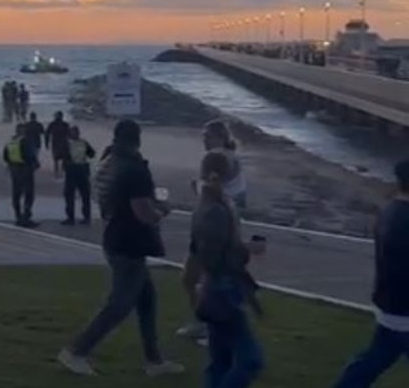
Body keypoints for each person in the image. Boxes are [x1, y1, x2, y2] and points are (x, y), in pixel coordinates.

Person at [58, 119, 184, 378]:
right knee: (119, 305)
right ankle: (76, 351)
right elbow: (142, 212)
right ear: (137, 139)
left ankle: (154, 360)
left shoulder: (108, 162)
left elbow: (110, 199)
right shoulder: (134, 169)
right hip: (130, 243)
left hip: (115, 236)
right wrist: (162, 210)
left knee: (147, 300)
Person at [329, 158, 409, 388]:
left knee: (373, 360)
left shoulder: (391, 211)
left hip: (390, 306)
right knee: (373, 359)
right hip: (404, 310)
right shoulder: (404, 221)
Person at [192, 151, 265, 388]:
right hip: (223, 290)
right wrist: (247, 249)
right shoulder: (217, 210)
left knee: (220, 360)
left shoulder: (210, 203)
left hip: (214, 288)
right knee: (251, 359)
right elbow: (218, 258)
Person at [179, 120, 246, 342]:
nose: (204, 140)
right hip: (217, 226)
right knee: (195, 277)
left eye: (208, 136)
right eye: (203, 136)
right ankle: (202, 322)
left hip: (211, 228)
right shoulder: (233, 158)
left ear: (219, 136)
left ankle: (210, 327)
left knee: (203, 279)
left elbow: (212, 190)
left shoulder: (215, 158)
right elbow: (236, 195)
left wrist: (197, 188)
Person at [4, 122, 39, 227]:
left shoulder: (11, 142)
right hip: (25, 169)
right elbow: (30, 155)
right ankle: (26, 217)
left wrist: (11, 164)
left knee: (16, 195)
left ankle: (18, 217)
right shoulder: (25, 141)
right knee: (29, 194)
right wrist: (35, 164)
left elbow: (5, 156)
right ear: (23, 131)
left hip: (14, 170)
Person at [61, 125, 96, 226]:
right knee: (76, 195)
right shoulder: (80, 142)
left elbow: (92, 153)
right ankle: (79, 217)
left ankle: (78, 218)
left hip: (76, 170)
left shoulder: (69, 143)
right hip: (79, 170)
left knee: (79, 195)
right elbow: (92, 154)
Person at [46, 111, 71, 178]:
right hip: (63, 144)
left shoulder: (52, 124)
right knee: (63, 159)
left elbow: (47, 134)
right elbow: (70, 134)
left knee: (56, 159)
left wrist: (47, 143)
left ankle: (57, 173)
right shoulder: (65, 124)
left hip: (57, 144)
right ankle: (61, 172)